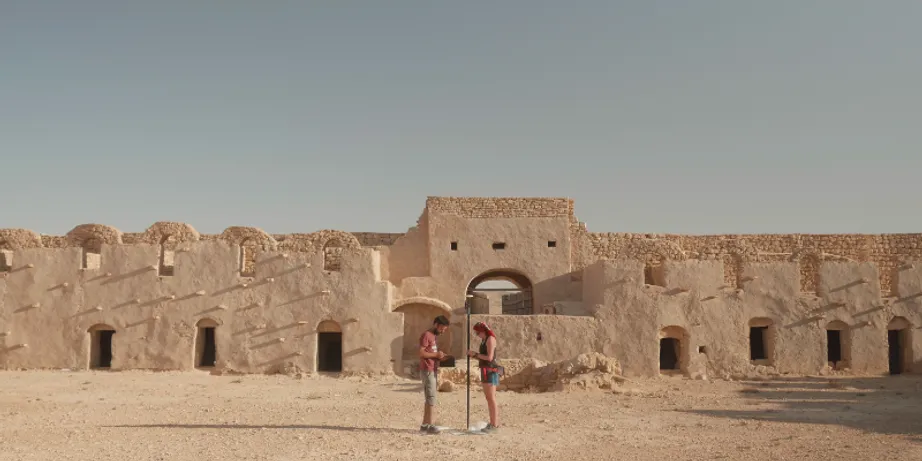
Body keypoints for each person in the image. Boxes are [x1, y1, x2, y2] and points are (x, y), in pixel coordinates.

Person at [467, 321, 500, 433]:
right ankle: (493, 423)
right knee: (488, 398)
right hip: (485, 369)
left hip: (490, 370)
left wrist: (475, 354)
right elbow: (483, 357)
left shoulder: (490, 339)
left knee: (491, 398)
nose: (477, 335)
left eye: (478, 333)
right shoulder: (484, 340)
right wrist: (473, 355)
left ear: (483, 331)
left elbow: (489, 357)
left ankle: (494, 425)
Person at [419, 315, 449, 434]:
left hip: (432, 369)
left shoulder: (433, 336)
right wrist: (436, 355)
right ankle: (430, 425)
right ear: (436, 325)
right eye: (442, 329)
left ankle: (425, 425)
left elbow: (430, 352)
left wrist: (440, 356)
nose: (442, 331)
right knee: (431, 397)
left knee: (429, 398)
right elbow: (421, 353)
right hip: (427, 370)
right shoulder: (426, 335)